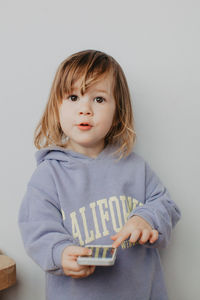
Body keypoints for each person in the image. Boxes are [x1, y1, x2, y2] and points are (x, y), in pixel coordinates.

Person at [18, 49, 181, 300]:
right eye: (73, 97)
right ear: (56, 108)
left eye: (99, 99)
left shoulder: (135, 167)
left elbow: (166, 205)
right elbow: (36, 231)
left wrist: (146, 219)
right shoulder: (48, 176)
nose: (85, 109)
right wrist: (61, 253)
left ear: (118, 112)